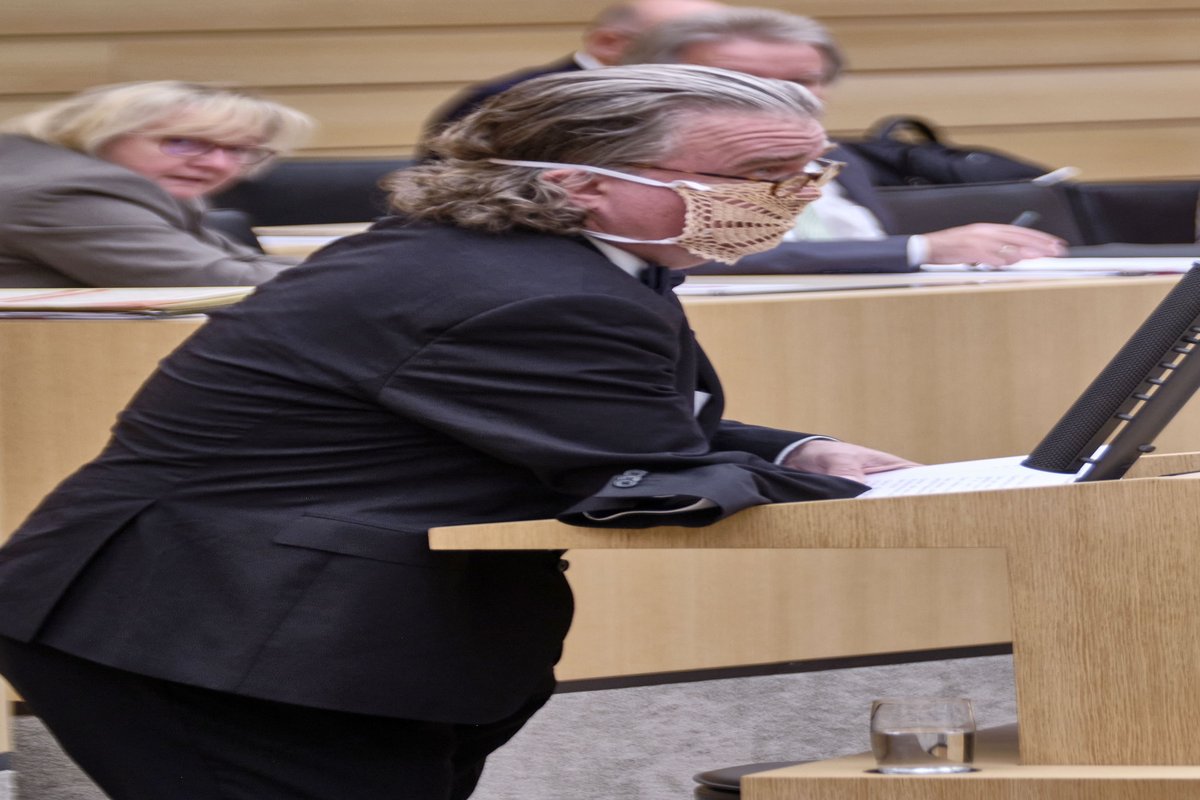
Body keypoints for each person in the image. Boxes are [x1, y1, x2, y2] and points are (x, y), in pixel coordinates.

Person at [0, 64, 916, 800]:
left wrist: (794, 450)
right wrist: (887, 492)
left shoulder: (512, 257)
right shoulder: (529, 288)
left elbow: (581, 409)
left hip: (267, 623)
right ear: (580, 183)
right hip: (221, 636)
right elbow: (645, 474)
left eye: (811, 173)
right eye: (756, 177)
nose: (789, 197)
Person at [621, 7, 1067, 273]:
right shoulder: (633, 167)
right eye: (743, 79)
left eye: (802, 80)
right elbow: (693, 258)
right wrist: (919, 249)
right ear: (657, 80)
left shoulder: (839, 158)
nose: (782, 95)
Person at [0, 80, 313, 287]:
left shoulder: (47, 169)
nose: (217, 164)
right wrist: (340, 277)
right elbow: (216, 278)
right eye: (182, 142)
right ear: (99, 133)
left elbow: (239, 262)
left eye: (238, 150)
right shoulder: (64, 194)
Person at [421, 0, 724, 139]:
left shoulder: (697, 97)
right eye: (685, 46)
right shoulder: (510, 100)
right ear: (608, 43)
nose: (714, 61)